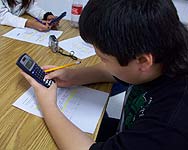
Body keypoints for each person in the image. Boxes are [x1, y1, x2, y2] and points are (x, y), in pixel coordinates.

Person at [20, 0, 188, 149]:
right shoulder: (167, 42)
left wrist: (48, 105)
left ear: (143, 61)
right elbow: (119, 71)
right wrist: (74, 76)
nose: (102, 62)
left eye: (103, 58)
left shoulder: (168, 128)